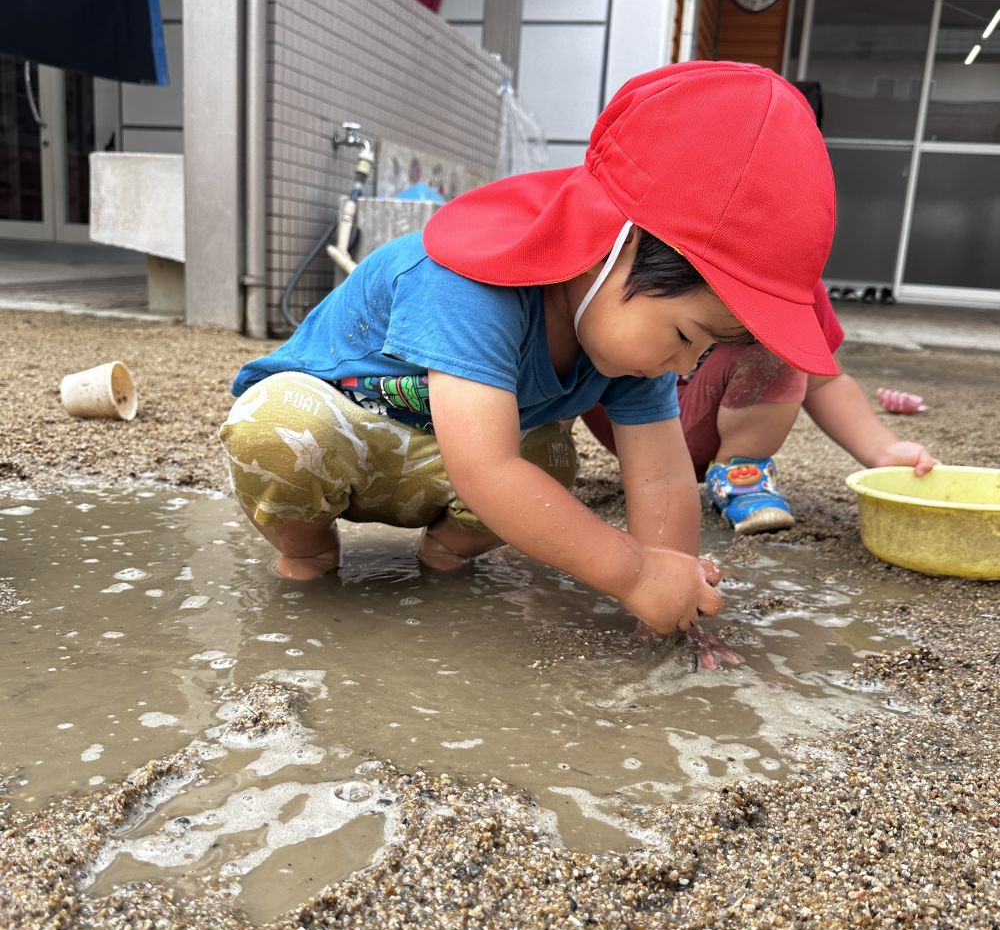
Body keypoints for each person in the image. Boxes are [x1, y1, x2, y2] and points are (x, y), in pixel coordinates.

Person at [220, 61, 838, 643]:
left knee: (547, 459)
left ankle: (444, 557)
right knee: (276, 426)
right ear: (610, 246)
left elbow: (662, 474)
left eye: (702, 353)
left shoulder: (622, 345)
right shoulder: (464, 282)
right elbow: (484, 468)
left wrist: (673, 592)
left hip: (442, 470)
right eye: (684, 336)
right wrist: (632, 574)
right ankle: (308, 554)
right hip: (343, 434)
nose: (684, 367)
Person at [580, 282, 936, 534]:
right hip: (621, 407)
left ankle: (742, 472)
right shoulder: (659, 253)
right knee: (581, 335)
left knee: (780, 345)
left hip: (700, 427)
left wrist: (882, 449)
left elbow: (825, 379)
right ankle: (550, 446)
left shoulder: (791, 283)